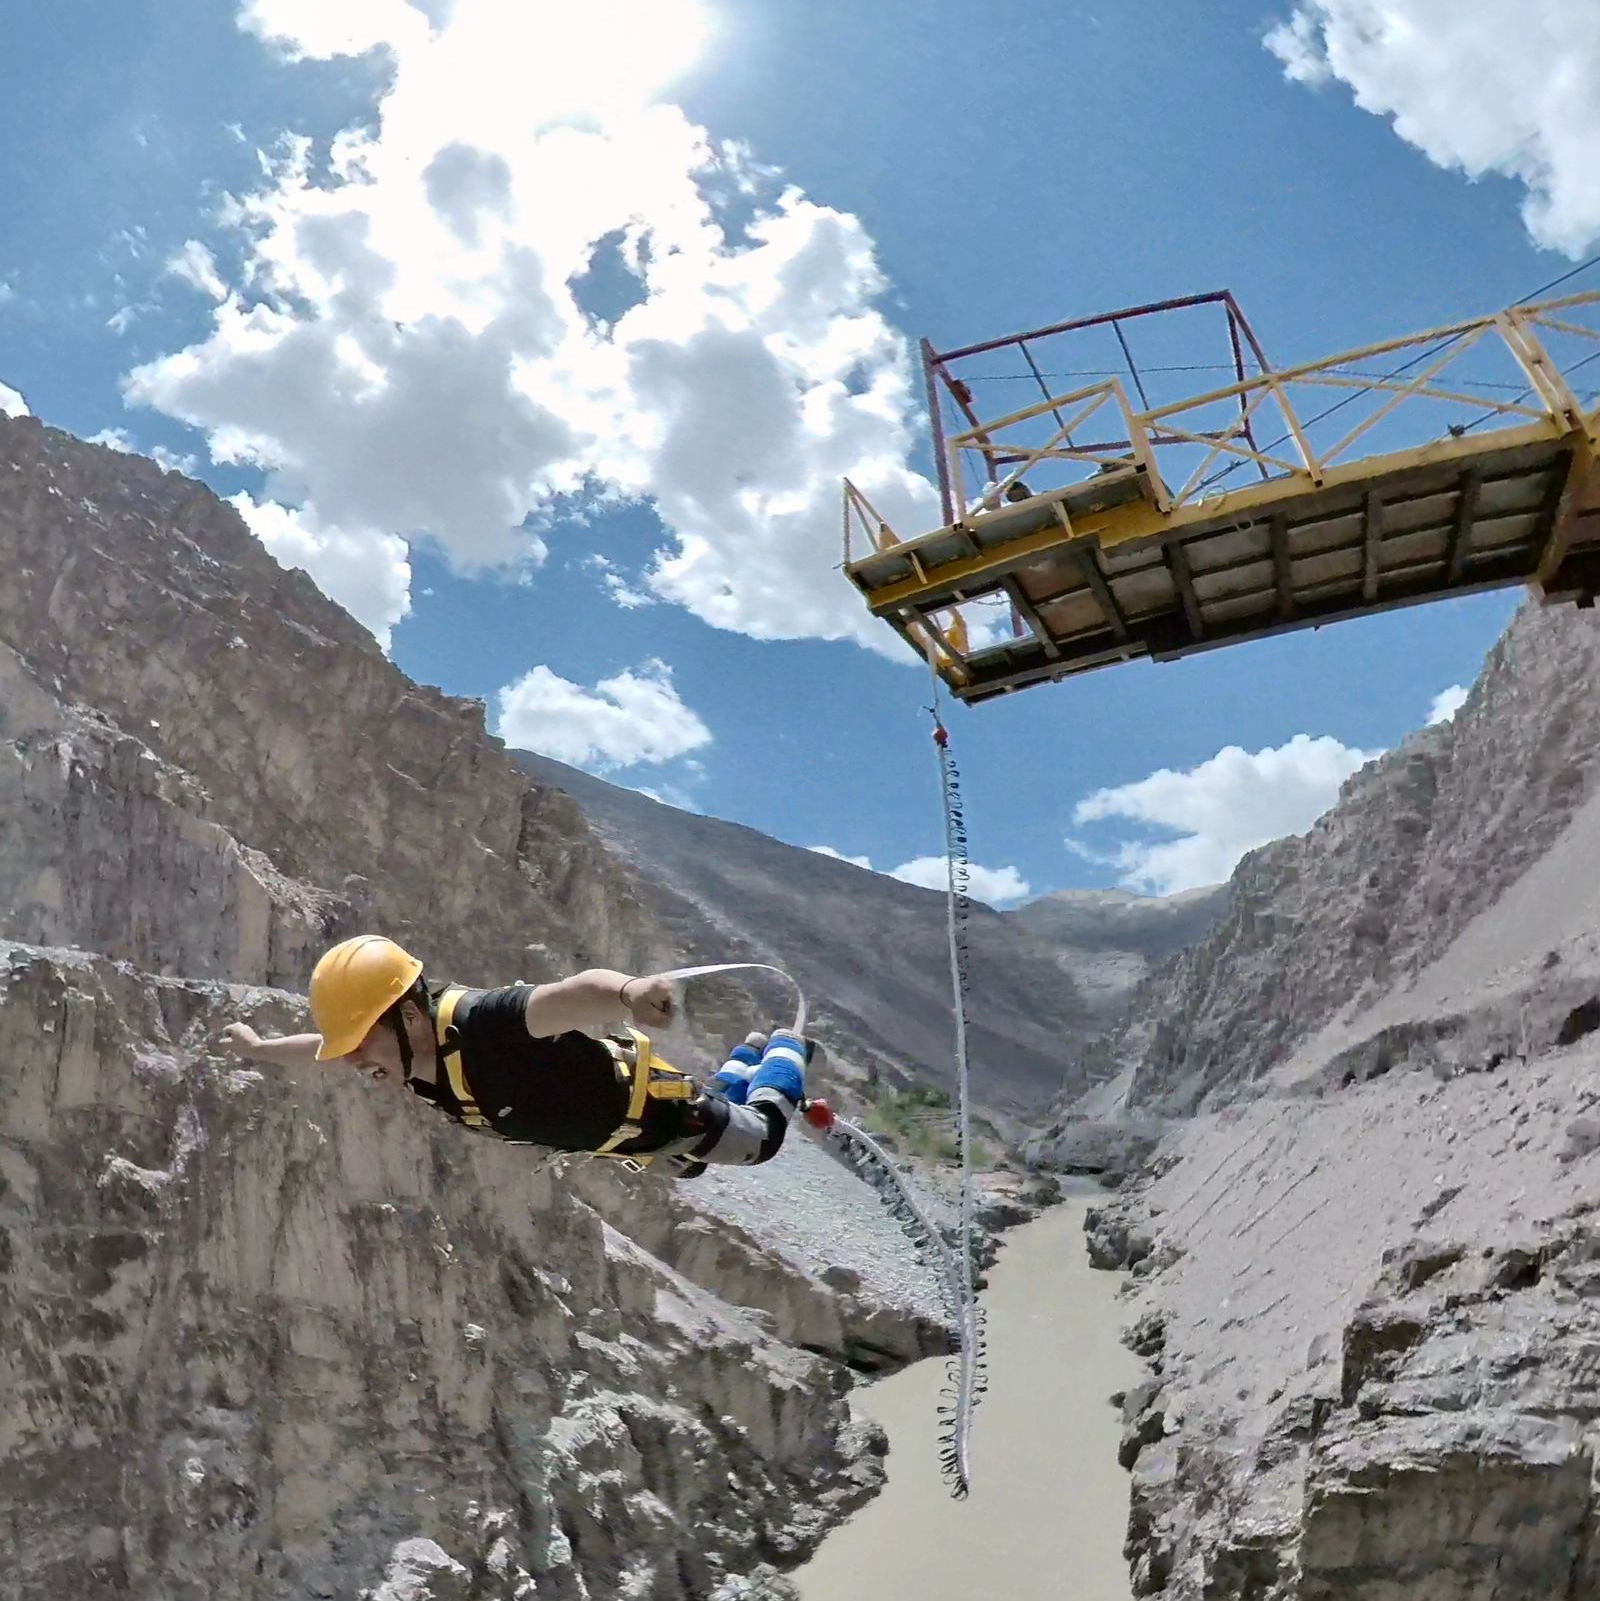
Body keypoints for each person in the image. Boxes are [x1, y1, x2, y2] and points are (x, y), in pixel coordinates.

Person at [221, 935, 809, 1175]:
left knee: (760, 1140)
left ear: (406, 1018)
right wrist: (260, 1048)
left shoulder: (488, 1022)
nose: (353, 1062)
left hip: (666, 1116)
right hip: (635, 1141)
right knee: (699, 1155)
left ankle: (786, 1047)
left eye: (360, 1045)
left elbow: (571, 994)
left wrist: (628, 993)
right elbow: (319, 1050)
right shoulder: (403, 1056)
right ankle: (748, 1054)